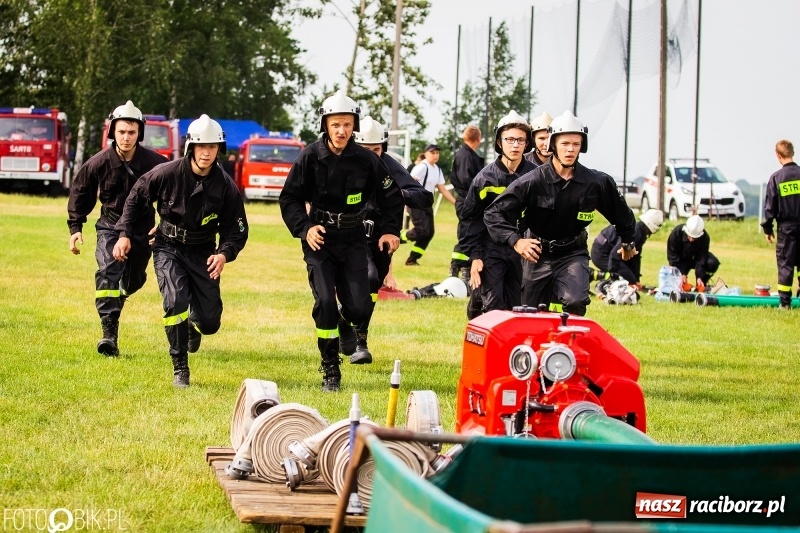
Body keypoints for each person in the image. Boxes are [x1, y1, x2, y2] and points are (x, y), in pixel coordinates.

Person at [279, 91, 404, 392]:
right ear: (325, 124)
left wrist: (390, 230)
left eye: (347, 124)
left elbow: (392, 196)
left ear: (354, 125)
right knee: (324, 302)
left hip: (353, 239)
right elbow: (289, 198)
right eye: (336, 124)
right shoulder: (309, 156)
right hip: (319, 239)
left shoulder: (366, 160)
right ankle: (330, 369)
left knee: (360, 310)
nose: (341, 130)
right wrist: (305, 227)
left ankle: (346, 323)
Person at [112, 115, 248, 388]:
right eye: (201, 147)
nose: (206, 153)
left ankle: (193, 325)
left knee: (210, 323)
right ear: (191, 148)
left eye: (212, 147)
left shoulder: (226, 186)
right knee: (174, 302)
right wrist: (125, 234)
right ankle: (180, 368)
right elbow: (137, 196)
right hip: (168, 247)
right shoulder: (167, 173)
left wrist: (223, 254)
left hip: (204, 253)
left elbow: (238, 230)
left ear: (219, 149)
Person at [484, 110, 637, 316]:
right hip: (536, 254)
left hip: (573, 253)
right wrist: (516, 241)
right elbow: (493, 212)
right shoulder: (532, 181)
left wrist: (627, 243)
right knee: (529, 314)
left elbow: (622, 216)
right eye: (565, 143)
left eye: (576, 144)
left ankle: (564, 348)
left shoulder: (596, 183)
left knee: (575, 303)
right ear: (552, 145)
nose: (570, 150)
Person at [67, 101, 168, 357]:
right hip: (110, 228)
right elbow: (80, 193)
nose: (126, 137)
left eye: (131, 132)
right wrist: (76, 227)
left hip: (143, 230)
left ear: (140, 133)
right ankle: (109, 334)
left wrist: (164, 223)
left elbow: (172, 196)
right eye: (121, 131)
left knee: (132, 281)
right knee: (108, 272)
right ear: (112, 131)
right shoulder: (98, 163)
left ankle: (126, 289)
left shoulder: (156, 163)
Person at [347, 116, 432, 363]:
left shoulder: (389, 165)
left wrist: (397, 194)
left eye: (376, 150)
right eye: (366, 150)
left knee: (373, 286)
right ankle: (348, 326)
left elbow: (423, 197)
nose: (372, 155)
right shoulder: (343, 165)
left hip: (382, 237)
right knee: (369, 276)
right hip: (351, 236)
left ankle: (360, 338)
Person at [460, 111, 537, 318]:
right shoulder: (485, 179)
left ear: (527, 143)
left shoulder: (535, 176)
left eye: (520, 140)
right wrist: (474, 257)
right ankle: (479, 301)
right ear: (499, 142)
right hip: (490, 247)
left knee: (518, 306)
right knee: (494, 305)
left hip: (523, 248)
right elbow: (470, 219)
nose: (515, 145)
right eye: (510, 139)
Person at [403, 143, 456, 266]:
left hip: (427, 204)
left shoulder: (437, 169)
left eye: (437, 153)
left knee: (429, 233)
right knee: (422, 231)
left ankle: (412, 259)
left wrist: (456, 202)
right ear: (426, 154)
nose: (435, 155)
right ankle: (399, 237)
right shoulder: (422, 167)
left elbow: (442, 189)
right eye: (433, 152)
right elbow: (408, 182)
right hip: (416, 203)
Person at [762, 139, 800, 309]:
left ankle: (785, 303)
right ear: (792, 153)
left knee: (786, 264)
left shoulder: (776, 178)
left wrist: (768, 229)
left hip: (786, 229)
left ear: (778, 155)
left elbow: (770, 207)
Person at [591, 208, 664, 286]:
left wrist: (636, 279)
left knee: (631, 279)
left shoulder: (640, 231)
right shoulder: (636, 233)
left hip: (607, 251)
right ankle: (598, 277)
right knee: (627, 279)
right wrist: (616, 275)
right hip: (601, 253)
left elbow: (635, 257)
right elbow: (615, 255)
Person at [449, 125, 484, 279]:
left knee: (470, 233)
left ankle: (463, 267)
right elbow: (466, 180)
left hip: (468, 199)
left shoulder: (467, 154)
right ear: (478, 139)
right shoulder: (466, 156)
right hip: (466, 200)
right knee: (466, 233)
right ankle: (458, 267)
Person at [666, 214, 720, 292]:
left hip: (694, 260)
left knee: (712, 263)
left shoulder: (705, 238)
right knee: (677, 284)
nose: (691, 239)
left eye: (694, 238)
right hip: (679, 261)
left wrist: (699, 277)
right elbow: (672, 256)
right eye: (689, 236)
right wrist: (682, 273)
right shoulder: (676, 233)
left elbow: (701, 259)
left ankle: (702, 283)